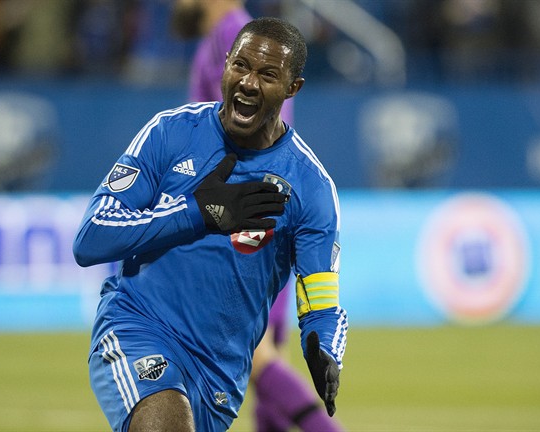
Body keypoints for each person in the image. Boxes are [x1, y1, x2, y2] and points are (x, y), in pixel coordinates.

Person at [73, 17, 348, 432]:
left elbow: (321, 297)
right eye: (241, 66)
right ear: (225, 64)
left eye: (267, 75)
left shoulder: (311, 187)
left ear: (293, 88)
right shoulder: (170, 132)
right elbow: (90, 237)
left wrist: (324, 345)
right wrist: (197, 213)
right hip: (138, 327)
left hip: (220, 374)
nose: (248, 83)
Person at [171, 1, 344, 431]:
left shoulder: (237, 38)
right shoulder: (231, 36)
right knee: (264, 360)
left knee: (255, 355)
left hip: (245, 216)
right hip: (256, 208)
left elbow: (245, 132)